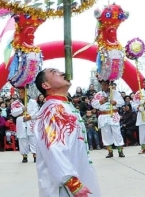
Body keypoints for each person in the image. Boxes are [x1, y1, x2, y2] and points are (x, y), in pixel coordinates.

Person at [34, 68, 101, 197]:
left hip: (78, 173)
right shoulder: (52, 109)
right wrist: (72, 182)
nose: (62, 73)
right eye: (54, 72)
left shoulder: (65, 106)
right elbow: (53, 147)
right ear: (45, 85)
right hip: (65, 184)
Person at [92, 79, 125, 158]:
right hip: (103, 115)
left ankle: (120, 151)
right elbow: (93, 104)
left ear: (109, 85)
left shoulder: (115, 93)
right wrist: (101, 102)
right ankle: (110, 151)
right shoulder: (98, 94)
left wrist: (115, 102)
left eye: (106, 84)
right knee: (106, 134)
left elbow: (122, 102)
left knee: (117, 132)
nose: (104, 86)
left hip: (113, 114)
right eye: (102, 84)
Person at [11, 86, 39, 163]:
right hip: (21, 121)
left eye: (22, 92)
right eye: (19, 92)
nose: (20, 94)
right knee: (22, 139)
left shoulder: (33, 101)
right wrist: (22, 109)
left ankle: (35, 155)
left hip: (31, 122)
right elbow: (13, 113)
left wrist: (29, 117)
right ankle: (24, 156)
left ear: (26, 92)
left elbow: (36, 111)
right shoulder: (15, 103)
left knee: (33, 138)